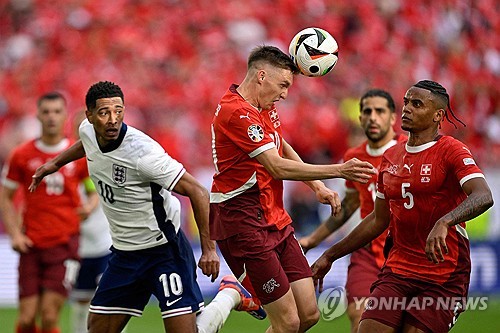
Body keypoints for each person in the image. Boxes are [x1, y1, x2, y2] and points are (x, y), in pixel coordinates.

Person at [29, 81, 266, 333]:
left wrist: (209, 250)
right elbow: (87, 143)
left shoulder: (143, 153)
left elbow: (198, 191)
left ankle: (229, 294)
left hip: (163, 251)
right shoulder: (87, 130)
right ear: (89, 115)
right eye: (104, 113)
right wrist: (53, 164)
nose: (112, 119)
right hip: (124, 253)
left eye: (118, 111)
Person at [209, 45, 377, 333]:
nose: (286, 93)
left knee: (308, 315)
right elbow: (276, 166)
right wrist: (338, 170)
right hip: (243, 219)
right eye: (283, 84)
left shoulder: (265, 108)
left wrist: (317, 186)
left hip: (274, 216)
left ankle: (249, 295)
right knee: (287, 323)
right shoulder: (235, 112)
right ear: (261, 76)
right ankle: (242, 291)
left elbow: (280, 144)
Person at [311, 80, 494, 333]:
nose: (407, 108)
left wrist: (445, 221)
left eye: (417, 104)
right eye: (406, 102)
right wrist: (330, 255)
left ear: (437, 116)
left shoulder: (451, 150)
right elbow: (378, 220)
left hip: (443, 275)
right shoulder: (391, 157)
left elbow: (484, 195)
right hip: (398, 270)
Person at [299, 88, 406, 332]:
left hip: (404, 251)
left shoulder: (409, 151)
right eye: (367, 111)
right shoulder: (354, 157)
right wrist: (311, 241)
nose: (372, 117)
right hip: (366, 251)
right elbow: (350, 204)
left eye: (380, 111)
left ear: (392, 118)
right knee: (361, 315)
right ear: (360, 118)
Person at [0, 92, 96, 333]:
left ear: (65, 116)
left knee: (49, 315)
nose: (51, 117)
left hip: (65, 244)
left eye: (56, 111)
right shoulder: (21, 156)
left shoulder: (78, 157)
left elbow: (93, 190)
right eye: (46, 112)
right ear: (38, 116)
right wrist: (14, 234)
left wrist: (89, 206)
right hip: (30, 243)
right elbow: (5, 197)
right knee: (26, 317)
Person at [69, 111, 115, 333]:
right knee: (80, 300)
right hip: (78, 245)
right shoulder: (69, 165)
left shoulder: (105, 160)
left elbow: (93, 193)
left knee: (109, 298)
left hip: (105, 242)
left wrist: (89, 207)